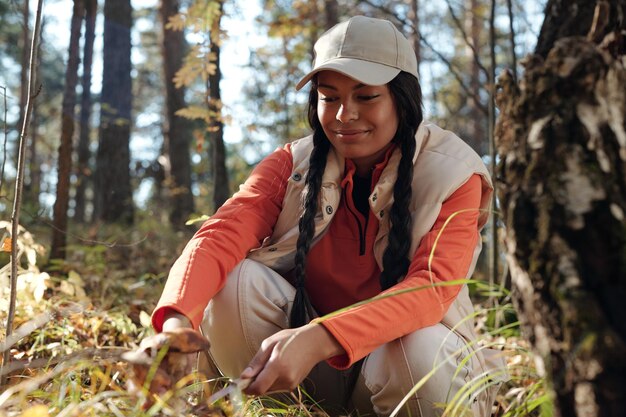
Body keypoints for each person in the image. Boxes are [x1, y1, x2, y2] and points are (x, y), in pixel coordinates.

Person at [152, 15, 503, 417]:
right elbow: (219, 236)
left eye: (366, 96)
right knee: (234, 282)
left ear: (402, 99)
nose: (343, 114)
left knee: (418, 344)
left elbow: (432, 289)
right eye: (328, 96)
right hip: (311, 373)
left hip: (404, 372)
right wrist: (175, 323)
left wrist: (320, 337)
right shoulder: (292, 163)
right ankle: (272, 410)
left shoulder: (453, 172)